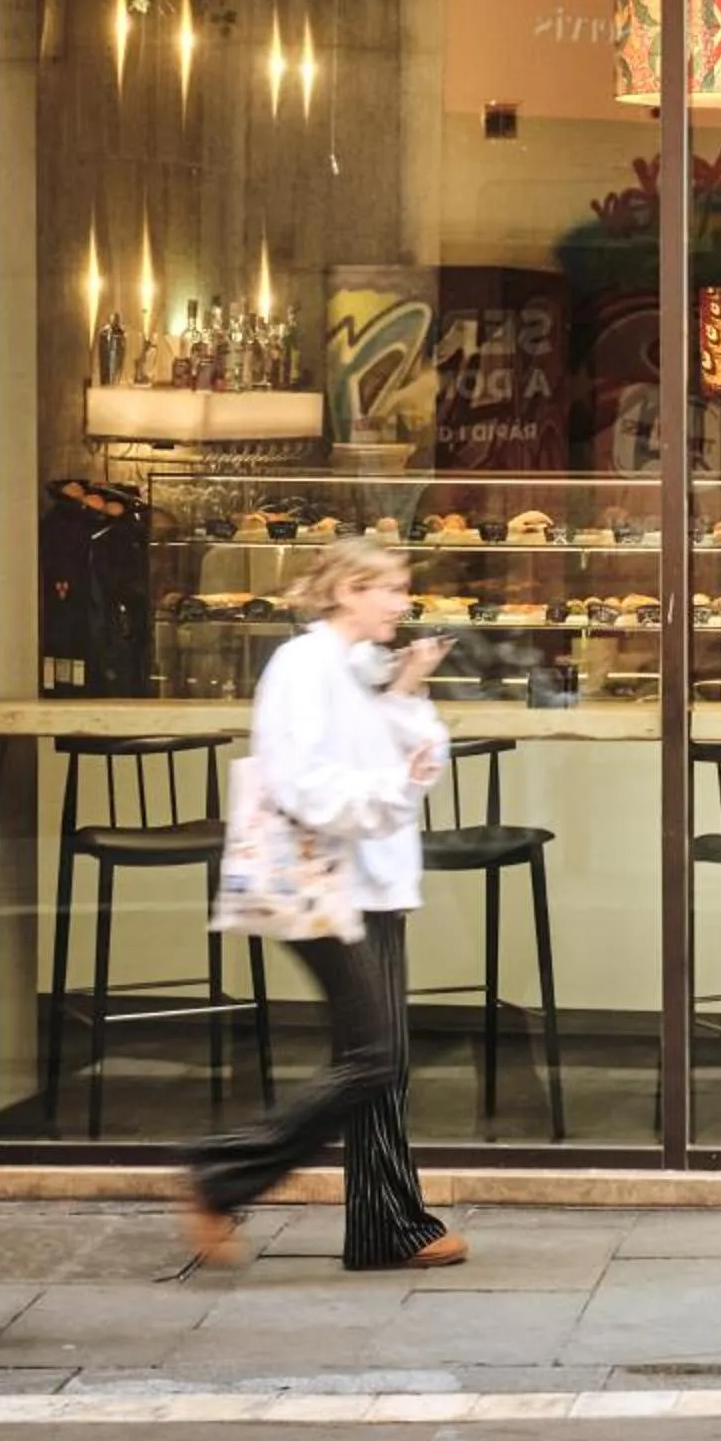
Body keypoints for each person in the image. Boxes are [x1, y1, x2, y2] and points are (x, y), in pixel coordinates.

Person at [181, 537, 470, 1272]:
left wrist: (407, 693)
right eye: (390, 589)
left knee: (379, 1060)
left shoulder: (365, 667)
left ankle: (387, 1225)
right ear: (347, 591)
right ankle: (222, 1174)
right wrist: (387, 795)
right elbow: (302, 781)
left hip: (371, 881)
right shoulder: (304, 667)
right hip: (326, 884)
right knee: (373, 1057)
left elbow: (425, 758)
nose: (403, 604)